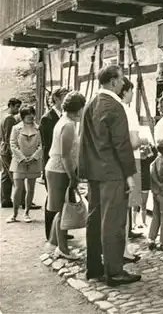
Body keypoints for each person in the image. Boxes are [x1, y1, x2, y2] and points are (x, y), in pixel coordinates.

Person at [79, 65, 141, 287]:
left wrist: (84, 171)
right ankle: (114, 272)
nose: (124, 83)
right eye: (122, 79)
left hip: (94, 173)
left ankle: (94, 267)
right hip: (113, 173)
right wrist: (129, 175)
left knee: (94, 220)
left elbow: (83, 142)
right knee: (113, 223)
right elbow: (122, 145)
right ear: (113, 82)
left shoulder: (90, 104)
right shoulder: (115, 106)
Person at [45, 92, 86, 259]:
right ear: (77, 109)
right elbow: (65, 155)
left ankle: (56, 244)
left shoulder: (65, 121)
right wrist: (73, 177)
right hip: (59, 171)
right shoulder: (68, 125)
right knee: (63, 210)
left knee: (61, 210)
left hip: (59, 170)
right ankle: (62, 249)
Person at [118, 77, 149, 262]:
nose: (131, 95)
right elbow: (133, 142)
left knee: (124, 205)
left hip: (120, 162)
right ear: (126, 91)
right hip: (131, 161)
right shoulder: (128, 112)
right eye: (130, 91)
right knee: (128, 203)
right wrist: (144, 141)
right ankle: (124, 250)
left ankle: (122, 246)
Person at [39, 87, 69, 240]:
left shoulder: (65, 117)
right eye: (65, 96)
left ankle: (62, 230)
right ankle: (50, 232)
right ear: (56, 99)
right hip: (53, 164)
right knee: (52, 198)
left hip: (63, 165)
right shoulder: (47, 118)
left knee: (62, 198)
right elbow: (47, 146)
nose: (67, 99)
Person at [7, 105, 42, 223]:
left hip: (34, 162)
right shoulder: (16, 128)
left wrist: (34, 157)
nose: (31, 116)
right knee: (18, 189)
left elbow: (42, 145)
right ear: (23, 116)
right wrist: (21, 158)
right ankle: (14, 214)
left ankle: (27, 213)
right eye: (28, 114)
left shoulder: (38, 128)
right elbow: (12, 144)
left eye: (32, 113)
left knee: (31, 188)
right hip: (19, 162)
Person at [1, 98, 22, 208]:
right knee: (16, 175)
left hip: (3, 149)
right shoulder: (10, 119)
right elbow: (10, 138)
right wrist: (15, 153)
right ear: (11, 106)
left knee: (5, 175)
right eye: (17, 107)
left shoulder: (3, 116)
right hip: (8, 150)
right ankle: (23, 200)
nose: (18, 109)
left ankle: (5, 200)